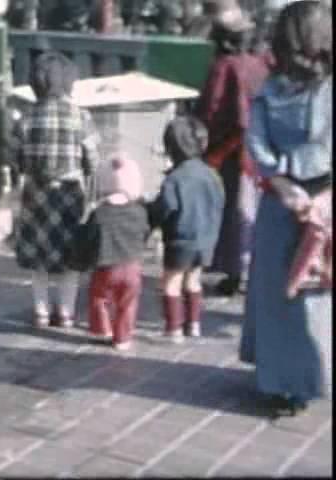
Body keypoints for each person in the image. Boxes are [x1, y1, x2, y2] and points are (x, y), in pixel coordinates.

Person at [240, 0, 332, 416]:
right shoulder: (272, 88)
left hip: (314, 200)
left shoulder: (273, 87)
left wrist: (306, 192)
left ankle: (296, 381)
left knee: (304, 293)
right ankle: (286, 381)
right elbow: (256, 140)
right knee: (287, 294)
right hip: (291, 200)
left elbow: (257, 142)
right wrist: (284, 185)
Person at [13, 50, 102, 328]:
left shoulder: (25, 119)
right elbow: (93, 159)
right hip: (69, 194)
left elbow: (17, 160)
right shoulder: (81, 116)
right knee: (71, 259)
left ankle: (40, 312)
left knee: (38, 260)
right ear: (69, 81)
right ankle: (65, 312)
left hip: (36, 194)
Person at [195, 6, 271, 296]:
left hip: (229, 150)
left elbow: (211, 110)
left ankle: (233, 271)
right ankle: (249, 270)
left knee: (232, 212)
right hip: (258, 151)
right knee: (251, 210)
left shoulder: (224, 67)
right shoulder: (260, 65)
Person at [148, 116, 225, 342]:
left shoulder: (175, 178)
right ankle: (194, 324)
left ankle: (173, 329)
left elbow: (165, 207)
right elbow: (220, 201)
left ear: (170, 147)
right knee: (194, 280)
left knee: (171, 282)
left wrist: (151, 220)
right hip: (207, 239)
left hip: (180, 240)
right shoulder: (212, 174)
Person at [87, 154, 149, 350]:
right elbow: (145, 232)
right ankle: (122, 338)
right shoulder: (139, 212)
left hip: (106, 266)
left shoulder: (99, 213)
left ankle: (102, 328)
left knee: (99, 297)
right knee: (127, 303)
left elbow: (89, 237)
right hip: (132, 267)